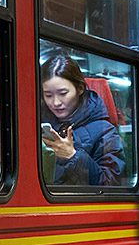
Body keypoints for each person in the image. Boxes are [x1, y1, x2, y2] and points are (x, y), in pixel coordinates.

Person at [40, 53, 125, 186]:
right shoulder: (36, 124)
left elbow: (111, 184)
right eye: (48, 95)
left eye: (63, 94)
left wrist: (73, 156)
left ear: (80, 89)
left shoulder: (105, 131)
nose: (56, 102)